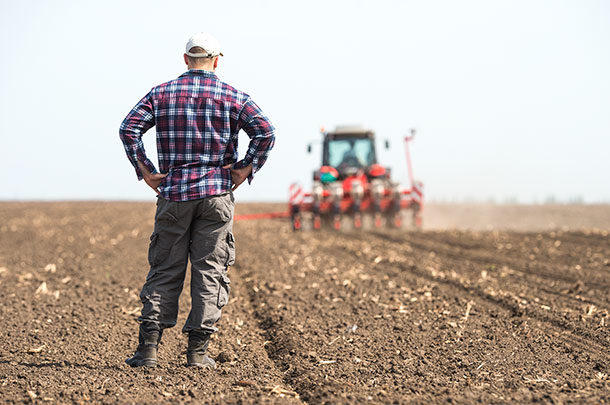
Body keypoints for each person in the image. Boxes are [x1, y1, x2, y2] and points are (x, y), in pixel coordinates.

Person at [119, 32, 275, 368]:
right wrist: (245, 167)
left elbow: (128, 128)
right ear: (217, 60)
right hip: (217, 194)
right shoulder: (234, 96)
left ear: (185, 59)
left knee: (165, 269)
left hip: (174, 194)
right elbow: (266, 132)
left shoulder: (161, 94)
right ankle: (198, 353)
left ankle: (148, 352)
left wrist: (146, 170)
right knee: (210, 271)